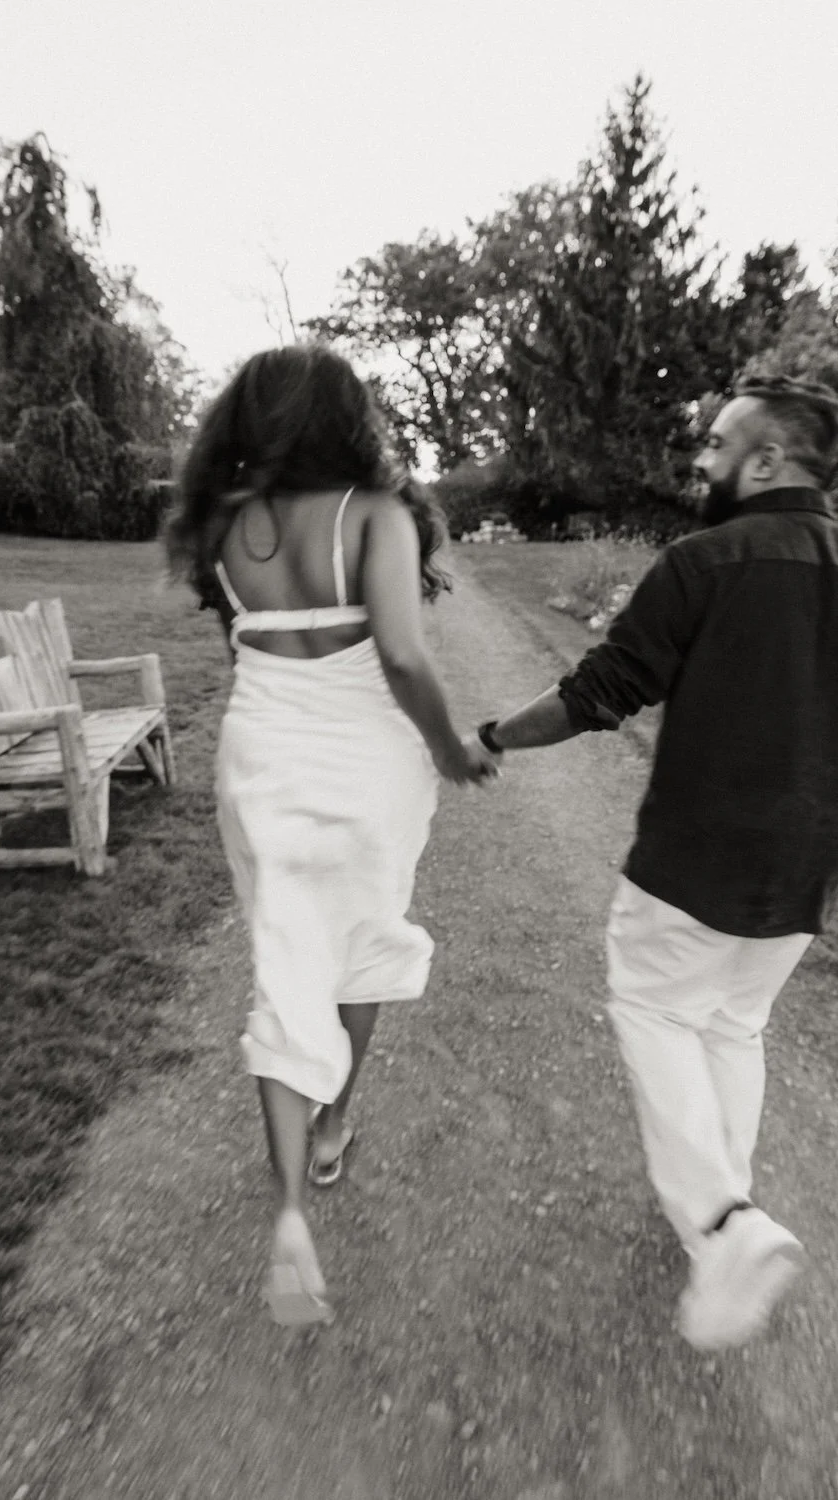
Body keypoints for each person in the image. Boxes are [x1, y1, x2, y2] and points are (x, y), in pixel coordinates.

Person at [473, 375, 838, 1350]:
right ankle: (719, 1205)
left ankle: (723, 1225)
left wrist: (491, 735)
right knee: (732, 1023)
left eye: (718, 445)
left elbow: (601, 691)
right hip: (804, 870)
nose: (702, 462)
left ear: (765, 461)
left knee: (656, 1008)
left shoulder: (705, 560)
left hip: (693, 856)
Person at [168, 345, 496, 1326]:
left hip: (261, 767)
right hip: (364, 773)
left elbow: (255, 651)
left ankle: (288, 1216)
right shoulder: (378, 517)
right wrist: (448, 748)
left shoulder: (224, 528)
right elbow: (399, 652)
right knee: (357, 950)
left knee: (285, 964)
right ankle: (335, 1120)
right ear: (346, 420)